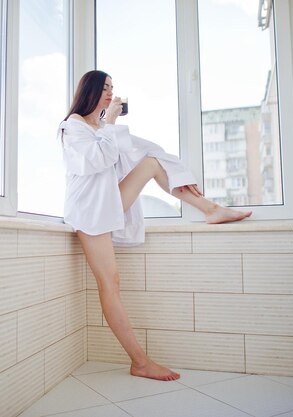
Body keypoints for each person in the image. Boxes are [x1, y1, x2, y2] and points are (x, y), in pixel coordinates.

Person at [59, 70, 252, 381]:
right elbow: (97, 160)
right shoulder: (73, 126)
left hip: (107, 201)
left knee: (151, 163)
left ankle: (210, 209)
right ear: (90, 91)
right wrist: (109, 123)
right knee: (111, 285)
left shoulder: (101, 126)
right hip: (88, 211)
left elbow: (149, 152)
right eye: (105, 87)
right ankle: (140, 362)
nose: (111, 93)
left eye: (113, 88)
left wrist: (183, 177)